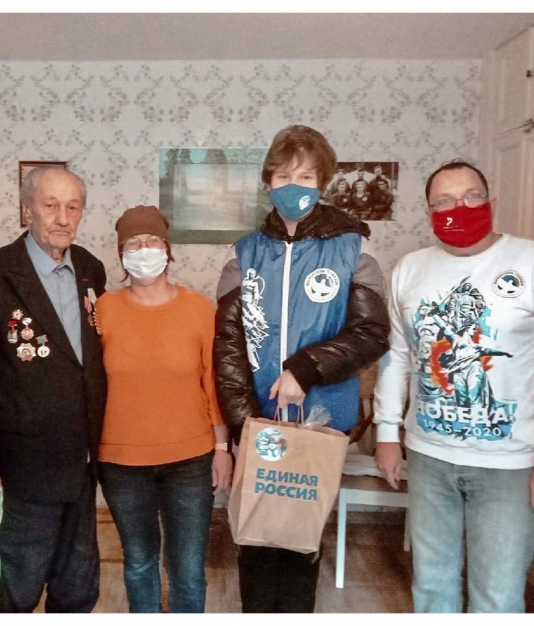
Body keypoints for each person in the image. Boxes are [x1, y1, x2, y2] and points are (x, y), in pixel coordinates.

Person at [373, 160, 534, 613]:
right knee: (432, 588)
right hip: (428, 457)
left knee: (498, 597)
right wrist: (387, 434)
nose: (459, 208)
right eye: (444, 201)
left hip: (510, 464)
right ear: (429, 212)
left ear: (491, 202)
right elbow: (396, 356)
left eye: (471, 196)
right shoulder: (410, 269)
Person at [214, 125, 391, 612]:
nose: (295, 185)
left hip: (322, 418)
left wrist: (305, 369)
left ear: (323, 182)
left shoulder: (355, 248)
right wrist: (243, 423)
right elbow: (228, 345)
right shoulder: (243, 253)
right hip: (257, 417)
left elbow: (372, 332)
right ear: (267, 181)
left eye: (307, 176)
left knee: (300, 535)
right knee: (254, 535)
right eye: (284, 175)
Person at [0, 166, 107, 613]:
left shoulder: (90, 270)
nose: (62, 218)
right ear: (27, 210)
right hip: (19, 466)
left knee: (77, 584)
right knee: (15, 583)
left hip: (81, 459)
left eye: (73, 207)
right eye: (50, 205)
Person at [94, 205, 232, 613]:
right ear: (121, 254)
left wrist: (222, 449)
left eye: (152, 241)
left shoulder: (199, 309)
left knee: (187, 570)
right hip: (121, 462)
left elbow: (213, 383)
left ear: (167, 249)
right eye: (133, 243)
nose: (144, 250)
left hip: (190, 460)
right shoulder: (102, 310)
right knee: (139, 562)